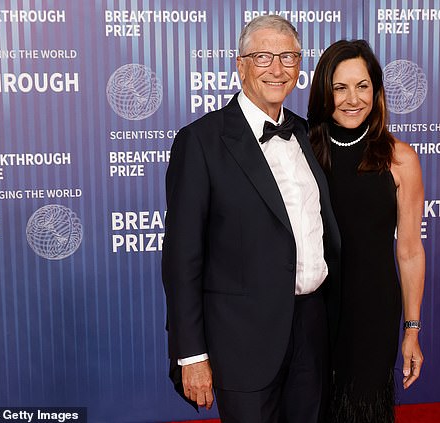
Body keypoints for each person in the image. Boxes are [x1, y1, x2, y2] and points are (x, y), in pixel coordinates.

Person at [161, 15, 340, 423]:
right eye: (263, 57)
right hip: (242, 342)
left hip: (311, 333)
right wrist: (191, 354)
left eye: (288, 57)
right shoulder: (201, 141)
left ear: (299, 65)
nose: (277, 69)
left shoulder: (306, 133)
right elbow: (181, 258)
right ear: (240, 65)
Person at [308, 39, 426, 422]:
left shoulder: (400, 159)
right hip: (311, 312)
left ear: (376, 91)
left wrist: (411, 329)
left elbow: (408, 251)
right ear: (325, 92)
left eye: (362, 86)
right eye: (340, 87)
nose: (352, 99)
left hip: (373, 312)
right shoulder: (302, 152)